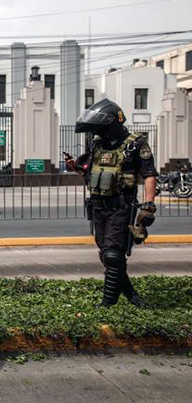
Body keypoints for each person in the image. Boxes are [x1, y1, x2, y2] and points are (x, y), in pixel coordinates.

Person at [67, 98, 157, 308]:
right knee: (107, 256)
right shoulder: (99, 145)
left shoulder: (136, 143)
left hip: (121, 206)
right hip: (98, 207)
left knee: (113, 255)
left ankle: (107, 304)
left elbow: (149, 175)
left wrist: (148, 205)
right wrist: (75, 167)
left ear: (110, 124)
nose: (97, 133)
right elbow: (91, 174)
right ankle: (133, 296)